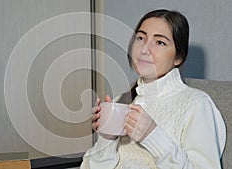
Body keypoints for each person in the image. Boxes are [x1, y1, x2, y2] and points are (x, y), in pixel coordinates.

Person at [80, 9, 226, 169]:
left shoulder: (197, 104)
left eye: (160, 42)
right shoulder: (121, 102)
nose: (144, 49)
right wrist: (107, 139)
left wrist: (152, 136)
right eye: (141, 38)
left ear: (178, 57)